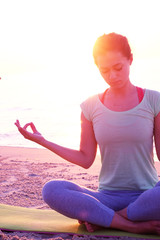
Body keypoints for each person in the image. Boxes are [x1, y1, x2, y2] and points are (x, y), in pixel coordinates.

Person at [15, 32, 160, 235]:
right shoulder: (90, 107)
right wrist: (43, 141)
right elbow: (85, 158)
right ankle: (130, 223)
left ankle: (109, 218)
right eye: (104, 71)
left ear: (131, 60)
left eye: (118, 68)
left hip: (148, 196)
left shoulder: (154, 100)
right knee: (52, 189)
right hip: (107, 197)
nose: (112, 76)